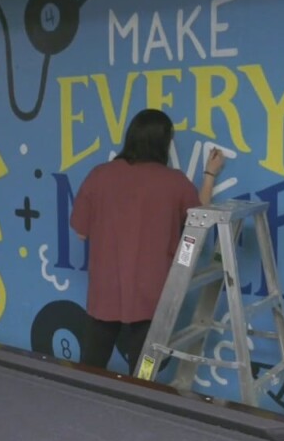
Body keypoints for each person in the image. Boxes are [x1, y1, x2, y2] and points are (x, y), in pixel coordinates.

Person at [69, 108, 226, 375]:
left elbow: (81, 233)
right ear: (163, 143)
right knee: (145, 372)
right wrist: (210, 175)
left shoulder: (99, 175)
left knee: (91, 365)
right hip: (152, 294)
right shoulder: (174, 183)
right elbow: (200, 220)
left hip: (105, 289)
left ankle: (81, 400)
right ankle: (141, 398)